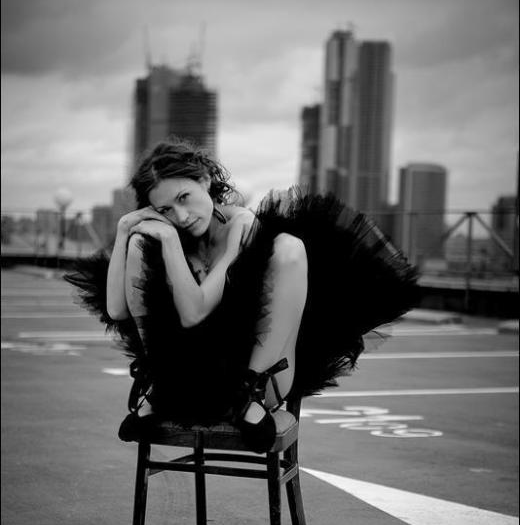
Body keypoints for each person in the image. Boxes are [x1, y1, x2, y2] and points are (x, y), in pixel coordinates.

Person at [65, 136, 419, 452]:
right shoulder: (165, 233)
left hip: (249, 380)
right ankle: (156, 383)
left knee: (288, 247)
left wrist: (170, 240)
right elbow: (117, 310)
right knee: (141, 245)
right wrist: (125, 230)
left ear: (205, 180)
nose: (182, 216)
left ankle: (250, 396)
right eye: (165, 210)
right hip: (185, 378)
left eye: (184, 198)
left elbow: (194, 311)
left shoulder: (241, 226)